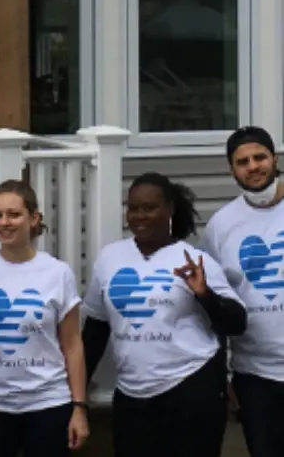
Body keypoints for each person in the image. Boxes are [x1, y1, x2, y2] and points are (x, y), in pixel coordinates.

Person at [82, 172, 247, 457]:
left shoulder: (194, 259)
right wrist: (76, 398)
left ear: (169, 209)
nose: (139, 216)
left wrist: (204, 293)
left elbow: (237, 322)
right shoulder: (110, 258)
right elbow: (95, 331)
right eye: (133, 208)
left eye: (149, 207)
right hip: (132, 396)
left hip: (190, 391)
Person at [0, 180, 88, 457]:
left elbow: (73, 344)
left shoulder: (58, 273)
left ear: (33, 218)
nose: (5, 222)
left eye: (14, 214)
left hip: (50, 402)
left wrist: (79, 407)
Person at [201, 127, 284, 457]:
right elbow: (216, 305)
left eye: (260, 157)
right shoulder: (221, 225)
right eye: (243, 161)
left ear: (274, 158)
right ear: (231, 169)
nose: (253, 166)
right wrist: (225, 375)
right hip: (256, 375)